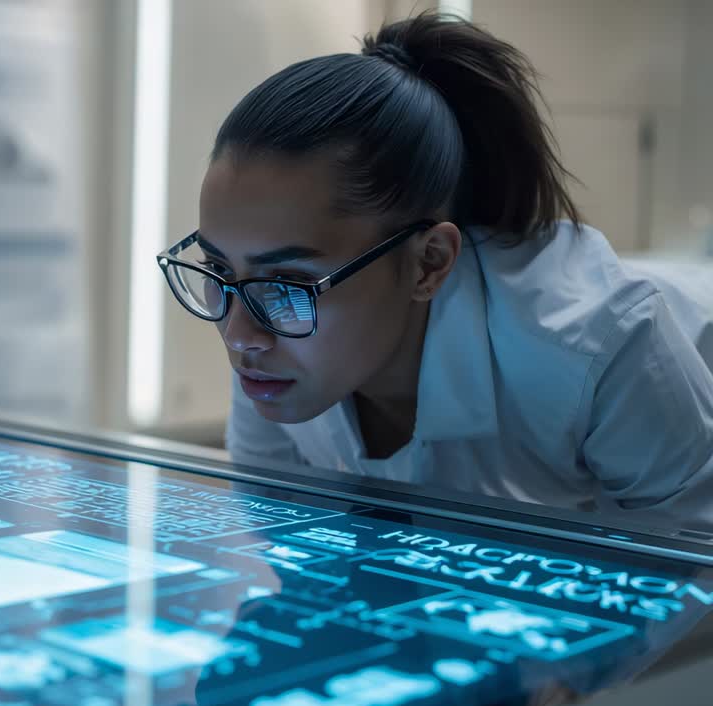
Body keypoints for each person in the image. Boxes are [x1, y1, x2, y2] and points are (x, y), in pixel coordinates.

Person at [156, 10, 713, 531]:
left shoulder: (601, 345)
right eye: (219, 270)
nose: (238, 335)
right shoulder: (265, 337)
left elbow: (688, 594)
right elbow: (300, 555)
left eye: (289, 284)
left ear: (429, 263)